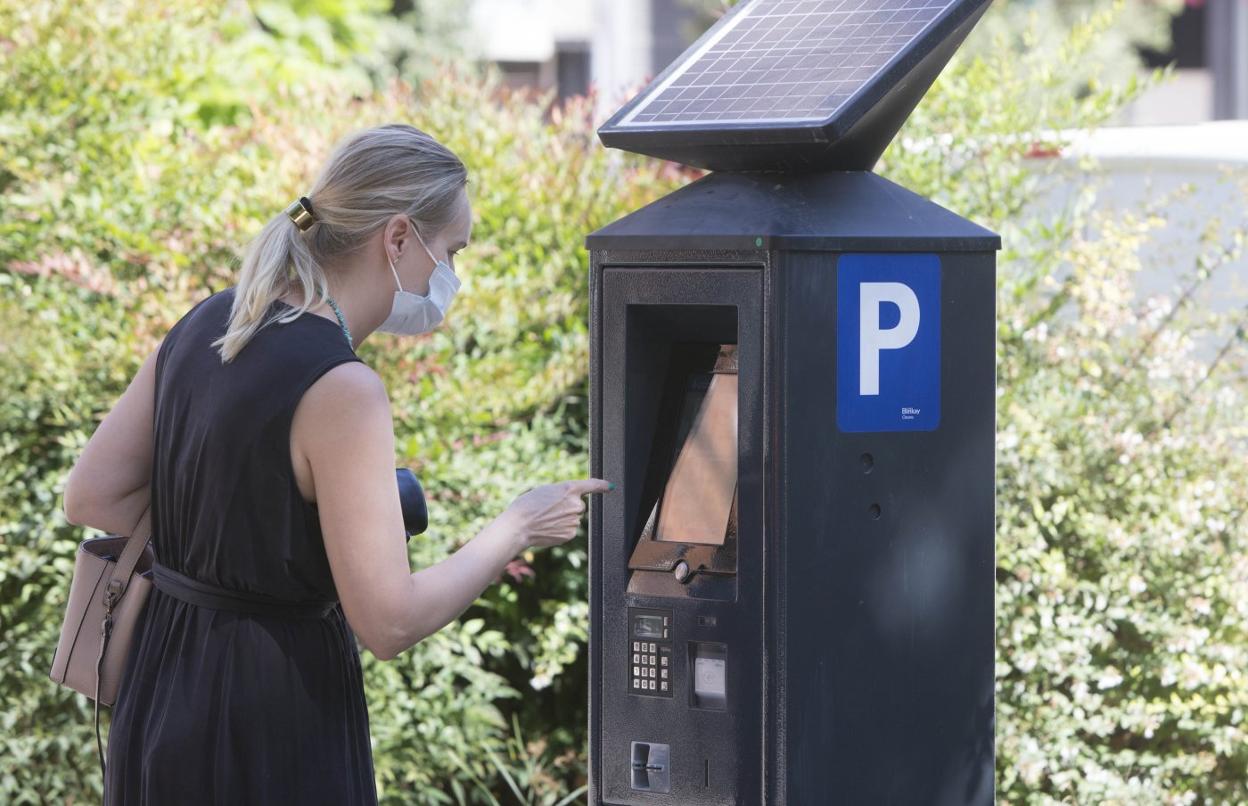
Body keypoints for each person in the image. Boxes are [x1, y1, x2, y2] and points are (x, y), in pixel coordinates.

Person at [61, 122, 613, 805]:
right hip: (269, 707)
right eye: (452, 250)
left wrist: (235, 541)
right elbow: (389, 622)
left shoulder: (210, 321)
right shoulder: (344, 388)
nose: (453, 276)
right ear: (400, 238)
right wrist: (517, 527)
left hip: (160, 685)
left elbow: (89, 495)